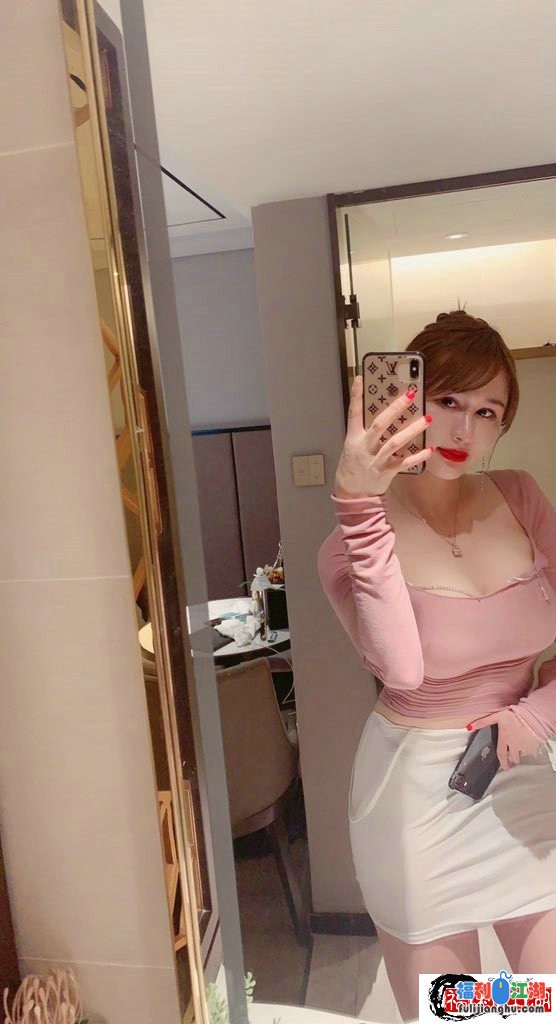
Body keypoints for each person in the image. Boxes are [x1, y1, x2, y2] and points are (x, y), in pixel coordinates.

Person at [317, 311, 556, 1022]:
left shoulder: (520, 497)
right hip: (419, 794)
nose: (463, 428)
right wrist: (359, 506)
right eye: (447, 399)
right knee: (452, 1011)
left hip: (521, 770)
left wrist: (536, 714)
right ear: (407, 400)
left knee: (543, 1002)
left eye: (487, 411)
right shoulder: (349, 542)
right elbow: (402, 670)